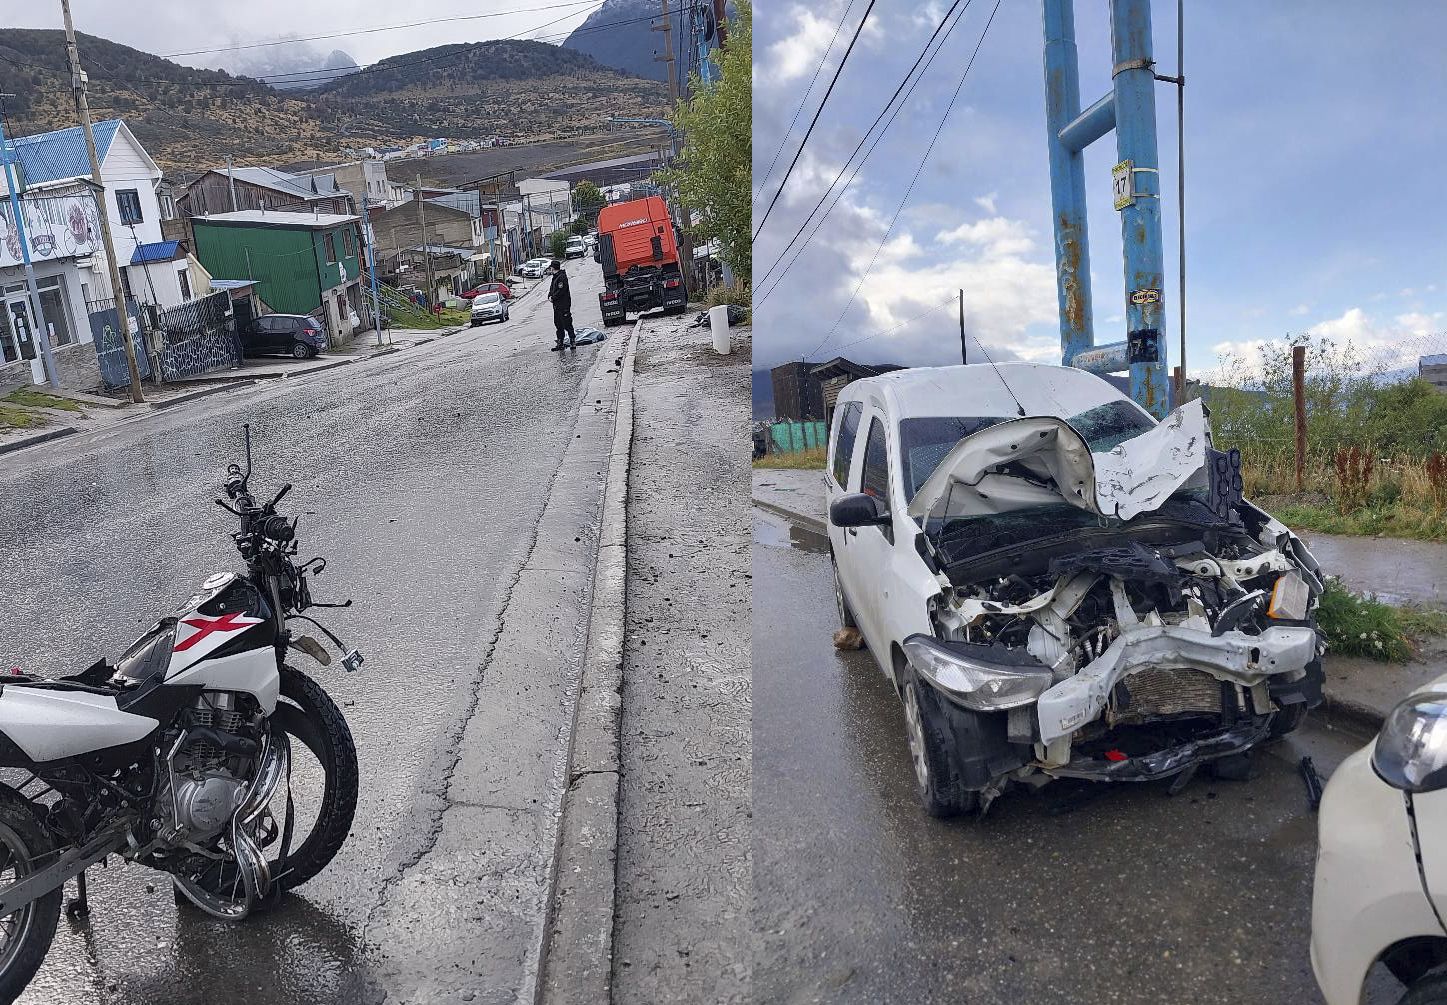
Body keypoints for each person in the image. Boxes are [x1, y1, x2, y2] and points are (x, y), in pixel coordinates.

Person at [547, 259, 576, 349]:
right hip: (556, 306)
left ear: (553, 268)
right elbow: (552, 289)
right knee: (558, 324)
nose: (550, 270)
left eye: (551, 268)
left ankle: (572, 341)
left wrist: (553, 297)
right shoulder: (555, 277)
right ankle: (560, 343)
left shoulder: (561, 277)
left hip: (564, 305)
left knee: (567, 323)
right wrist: (549, 296)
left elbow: (561, 290)